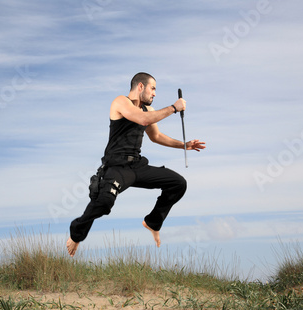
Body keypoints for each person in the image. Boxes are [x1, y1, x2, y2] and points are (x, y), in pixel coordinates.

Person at [67, 72, 205, 257]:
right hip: (116, 167)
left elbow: (156, 136)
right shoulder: (121, 102)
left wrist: (184, 145)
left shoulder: (147, 110)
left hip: (137, 166)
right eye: (153, 88)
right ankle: (76, 234)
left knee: (178, 183)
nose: (154, 93)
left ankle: (153, 222)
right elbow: (142, 119)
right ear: (140, 86)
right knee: (103, 203)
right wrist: (174, 107)